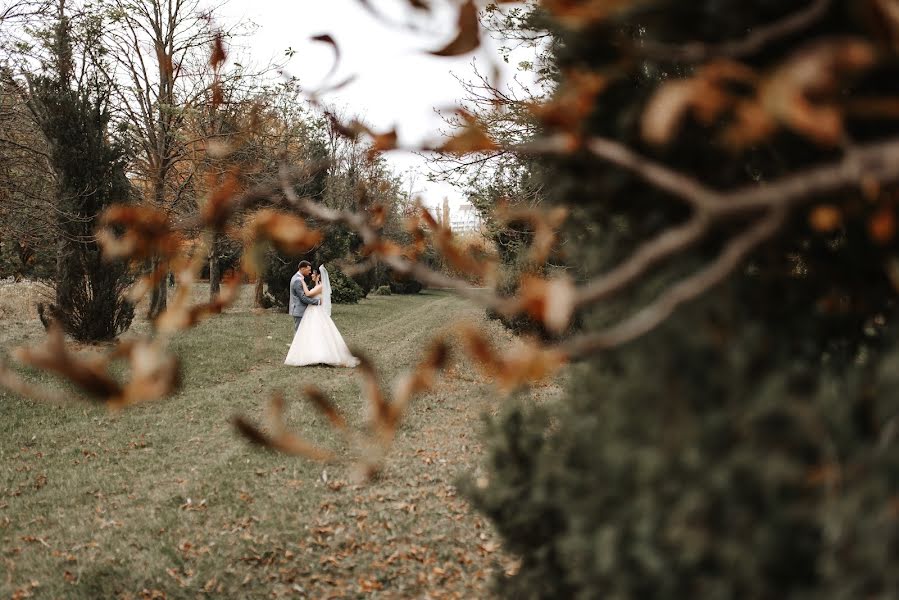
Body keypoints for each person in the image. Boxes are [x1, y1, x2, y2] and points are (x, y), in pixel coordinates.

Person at [285, 264, 359, 367]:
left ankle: (321, 355)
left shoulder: (320, 286)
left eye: (313, 274)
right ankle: (310, 354)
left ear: (318, 276)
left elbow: (307, 294)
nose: (311, 275)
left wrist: (302, 282)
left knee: (318, 332)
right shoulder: (317, 286)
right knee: (312, 333)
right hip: (312, 311)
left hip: (316, 311)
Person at [288, 260, 319, 332]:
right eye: (308, 270)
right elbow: (302, 297)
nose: (310, 272)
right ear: (302, 269)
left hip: (300, 310)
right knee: (299, 333)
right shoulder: (297, 280)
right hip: (299, 310)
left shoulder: (299, 278)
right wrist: (317, 301)